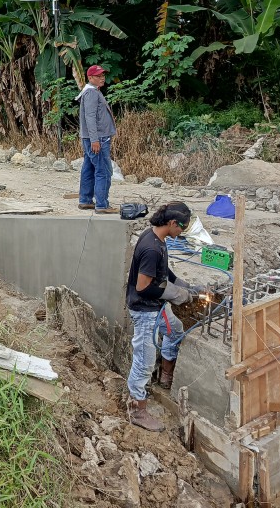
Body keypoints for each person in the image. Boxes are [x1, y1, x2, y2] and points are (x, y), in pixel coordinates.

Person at [125, 201, 201, 432]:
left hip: (158, 308)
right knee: (144, 361)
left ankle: (165, 375)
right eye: (181, 229)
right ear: (171, 223)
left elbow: (164, 271)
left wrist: (184, 285)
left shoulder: (158, 239)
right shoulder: (151, 247)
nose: (181, 233)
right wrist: (176, 293)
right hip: (146, 311)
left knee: (175, 330)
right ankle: (137, 409)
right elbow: (142, 285)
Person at [77, 64, 117, 213]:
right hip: (98, 139)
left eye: (103, 75)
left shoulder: (91, 91)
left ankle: (86, 200)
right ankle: (102, 204)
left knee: (88, 168)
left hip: (93, 138)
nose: (102, 78)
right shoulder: (92, 93)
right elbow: (90, 117)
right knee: (103, 170)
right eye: (99, 76)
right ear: (90, 77)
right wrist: (95, 140)